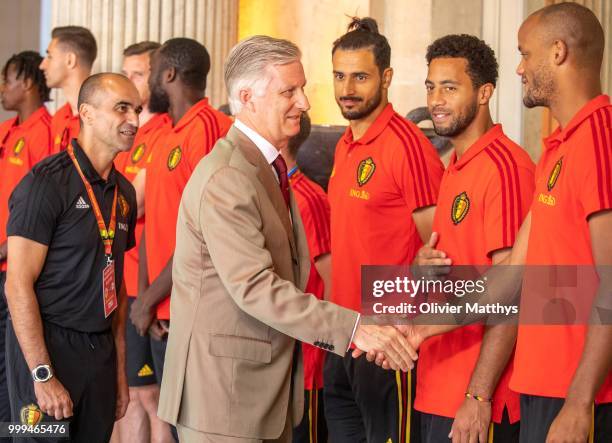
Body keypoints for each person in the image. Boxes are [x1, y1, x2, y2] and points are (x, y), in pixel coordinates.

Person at [157, 34, 418, 443]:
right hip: (224, 399)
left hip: (257, 393)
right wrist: (354, 328)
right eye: (289, 91)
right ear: (247, 97)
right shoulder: (228, 175)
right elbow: (255, 286)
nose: (305, 103)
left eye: (303, 89)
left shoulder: (263, 166)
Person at [382, 3, 611, 442]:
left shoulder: (600, 137)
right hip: (540, 387)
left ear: (558, 52)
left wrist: (579, 402)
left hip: (581, 397)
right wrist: (425, 326)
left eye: (526, 54)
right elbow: (508, 279)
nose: (520, 68)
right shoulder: (558, 149)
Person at [325, 17, 444, 443]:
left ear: (387, 77)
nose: (347, 88)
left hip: (386, 341)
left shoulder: (407, 144)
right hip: (341, 334)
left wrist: (400, 315)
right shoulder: (344, 143)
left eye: (360, 76)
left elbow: (439, 253)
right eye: (339, 76)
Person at [4, 73, 139, 442]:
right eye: (122, 108)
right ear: (87, 114)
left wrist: (119, 373)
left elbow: (118, 287)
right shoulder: (45, 184)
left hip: (100, 351)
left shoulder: (124, 192)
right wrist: (42, 374)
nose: (135, 120)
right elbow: (17, 285)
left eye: (137, 110)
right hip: (47, 348)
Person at [414, 34, 534, 443]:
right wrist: (422, 268)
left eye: (450, 87)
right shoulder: (455, 166)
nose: (436, 100)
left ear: (484, 93)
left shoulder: (505, 167)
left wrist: (479, 394)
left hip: (475, 398)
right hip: (437, 386)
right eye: (431, 87)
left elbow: (514, 289)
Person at [128, 38, 232, 433]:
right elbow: (151, 221)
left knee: (196, 426)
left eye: (153, 71)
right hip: (163, 307)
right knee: (170, 420)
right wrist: (148, 299)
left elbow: (202, 230)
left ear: (168, 74)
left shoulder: (206, 128)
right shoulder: (166, 132)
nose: (151, 79)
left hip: (193, 308)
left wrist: (152, 298)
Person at [113, 41, 173, 443]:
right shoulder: (134, 132)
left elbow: (130, 201)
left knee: (151, 397)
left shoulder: (166, 133)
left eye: (137, 73)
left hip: (148, 283)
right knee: (125, 393)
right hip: (120, 277)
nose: (129, 82)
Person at [0, 50, 52, 426]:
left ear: (28, 83)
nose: (3, 88)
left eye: (8, 79)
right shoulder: (8, 132)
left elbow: (41, 212)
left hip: (17, 270)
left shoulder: (44, 132)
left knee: (13, 366)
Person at [279, 113, 330, 443]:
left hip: (306, 361)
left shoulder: (309, 199)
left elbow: (330, 279)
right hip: (276, 358)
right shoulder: (270, 191)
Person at [39, 26, 97, 153]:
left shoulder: (101, 117)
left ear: (70, 60)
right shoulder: (59, 117)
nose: (42, 65)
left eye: (50, 56)